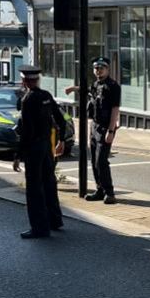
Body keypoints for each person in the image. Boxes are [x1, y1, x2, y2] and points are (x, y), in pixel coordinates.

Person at [13, 65, 67, 239]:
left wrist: (17, 156)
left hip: (34, 148)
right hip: (46, 146)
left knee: (34, 189)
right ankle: (55, 220)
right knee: (49, 183)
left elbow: (27, 131)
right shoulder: (46, 96)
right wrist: (62, 139)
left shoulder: (27, 100)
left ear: (24, 80)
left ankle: (39, 228)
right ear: (37, 79)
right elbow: (61, 119)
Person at [65, 56, 120, 204]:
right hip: (94, 126)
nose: (98, 71)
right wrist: (73, 88)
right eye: (96, 68)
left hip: (105, 127)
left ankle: (110, 193)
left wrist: (111, 131)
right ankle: (100, 190)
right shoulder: (96, 84)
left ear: (107, 69)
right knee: (95, 161)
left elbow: (115, 109)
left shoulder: (113, 86)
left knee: (102, 161)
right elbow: (88, 90)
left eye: (101, 68)